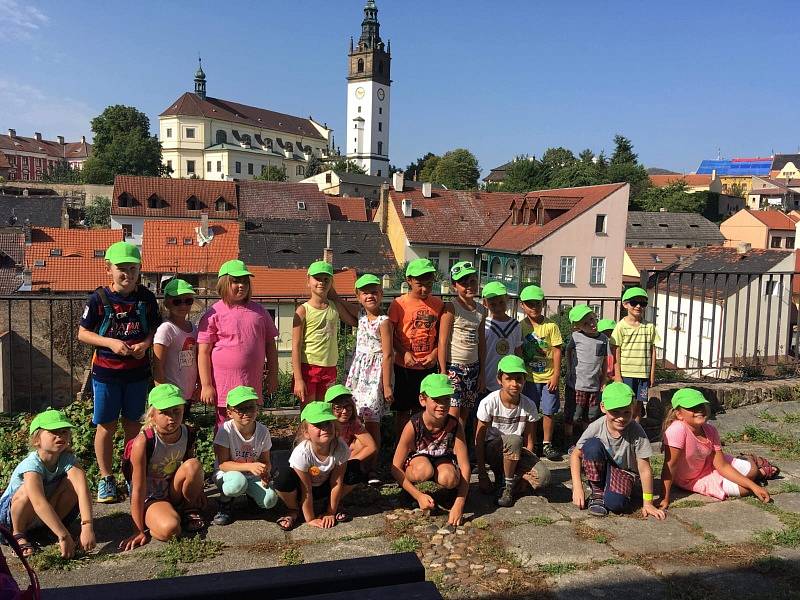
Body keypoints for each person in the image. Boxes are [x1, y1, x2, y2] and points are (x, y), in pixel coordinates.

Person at [77, 241, 160, 503]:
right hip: (106, 374)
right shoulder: (98, 299)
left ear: (140, 269)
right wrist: (111, 343)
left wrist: (145, 345)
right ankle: (105, 477)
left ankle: (130, 471)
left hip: (137, 373)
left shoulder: (146, 299)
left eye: (133, 269)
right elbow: (83, 333)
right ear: (109, 270)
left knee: (134, 426)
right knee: (106, 426)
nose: (127, 274)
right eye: (121, 269)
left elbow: (154, 329)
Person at [120, 384, 206, 551]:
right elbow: (137, 488)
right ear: (152, 415)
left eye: (176, 411)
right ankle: (157, 517)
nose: (171, 418)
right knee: (171, 530)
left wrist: (198, 490)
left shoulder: (187, 433)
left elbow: (188, 467)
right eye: (164, 412)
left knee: (194, 465)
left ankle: (189, 509)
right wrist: (137, 530)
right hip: (151, 496)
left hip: (172, 489)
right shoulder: (143, 442)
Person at [0, 410, 95, 559]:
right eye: (53, 432)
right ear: (37, 439)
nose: (60, 435)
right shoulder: (31, 465)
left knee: (71, 484)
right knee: (27, 491)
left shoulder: (67, 459)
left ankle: (49, 530)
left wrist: (87, 526)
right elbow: (38, 503)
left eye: (64, 431)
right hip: (11, 518)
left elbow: (82, 489)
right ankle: (18, 534)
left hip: (44, 514)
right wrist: (63, 535)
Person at [659, 388, 775, 509]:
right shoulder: (677, 430)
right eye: (691, 407)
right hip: (693, 479)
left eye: (701, 405)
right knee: (745, 489)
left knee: (751, 471)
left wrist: (754, 486)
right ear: (679, 414)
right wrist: (665, 497)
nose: (699, 409)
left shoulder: (710, 430)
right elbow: (670, 466)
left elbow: (722, 466)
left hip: (710, 465)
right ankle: (759, 472)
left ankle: (750, 461)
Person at [198, 260, 279, 429]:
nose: (241, 285)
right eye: (236, 281)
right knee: (224, 427)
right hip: (224, 384)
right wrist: (206, 385)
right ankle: (223, 456)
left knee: (249, 423)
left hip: (250, 382)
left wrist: (272, 375)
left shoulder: (260, 312)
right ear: (223, 283)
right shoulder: (213, 313)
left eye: (244, 281)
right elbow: (204, 352)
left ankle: (248, 455)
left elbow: (271, 346)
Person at [570, 382, 665, 519]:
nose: (621, 418)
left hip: (624, 472)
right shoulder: (596, 426)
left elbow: (645, 469)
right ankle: (597, 491)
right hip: (603, 464)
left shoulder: (636, 431)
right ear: (603, 407)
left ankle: (611, 489)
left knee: (616, 504)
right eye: (615, 412)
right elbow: (575, 455)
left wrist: (648, 503)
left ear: (633, 408)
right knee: (591, 446)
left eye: (626, 412)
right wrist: (577, 487)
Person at [391, 374, 470, 526]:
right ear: (423, 400)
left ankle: (449, 493)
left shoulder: (454, 425)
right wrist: (418, 495)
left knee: (450, 478)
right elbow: (395, 467)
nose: (442, 405)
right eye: (436, 399)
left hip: (443, 458)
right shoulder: (413, 425)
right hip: (418, 460)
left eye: (446, 399)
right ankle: (412, 490)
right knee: (423, 470)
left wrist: (460, 503)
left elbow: (465, 465)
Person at [475, 356, 551, 507]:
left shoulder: (528, 405)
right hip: (494, 451)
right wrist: (482, 475)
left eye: (519, 379)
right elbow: (479, 440)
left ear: (524, 380)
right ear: (499, 379)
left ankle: (505, 480)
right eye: (509, 379)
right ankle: (507, 485)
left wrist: (527, 463)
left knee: (544, 479)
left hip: (516, 452)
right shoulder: (489, 403)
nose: (514, 384)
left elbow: (530, 443)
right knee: (514, 440)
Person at [273, 402, 352, 531]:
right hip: (302, 490)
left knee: (356, 469)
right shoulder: (302, 453)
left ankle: (330, 504)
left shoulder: (340, 447)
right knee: (282, 477)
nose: (325, 428)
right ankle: (293, 508)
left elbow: (337, 482)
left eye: (328, 423)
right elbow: (306, 489)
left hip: (323, 486)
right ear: (306, 432)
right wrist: (310, 519)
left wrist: (330, 512)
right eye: (318, 425)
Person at [344, 273, 393, 480]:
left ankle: (372, 466)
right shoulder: (361, 319)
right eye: (365, 293)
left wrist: (387, 384)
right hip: (358, 374)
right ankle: (359, 463)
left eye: (374, 292)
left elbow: (388, 353)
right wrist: (334, 295)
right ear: (358, 296)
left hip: (375, 376)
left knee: (372, 421)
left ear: (381, 294)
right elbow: (341, 310)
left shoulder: (384, 321)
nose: (370, 296)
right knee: (357, 417)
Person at [388, 259, 444, 437]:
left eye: (429, 284)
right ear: (409, 280)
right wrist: (404, 353)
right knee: (403, 410)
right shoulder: (398, 304)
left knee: (426, 408)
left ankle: (422, 443)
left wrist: (435, 354)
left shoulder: (438, 304)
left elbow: (441, 337)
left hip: (428, 366)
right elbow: (391, 335)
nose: (425, 289)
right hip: (404, 366)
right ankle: (401, 446)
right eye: (420, 284)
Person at [292, 260, 357, 405]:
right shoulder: (303, 310)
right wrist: (298, 379)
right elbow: (295, 346)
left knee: (326, 408)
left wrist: (337, 298)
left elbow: (357, 320)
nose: (321, 282)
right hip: (308, 368)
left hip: (329, 368)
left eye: (326, 279)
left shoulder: (335, 306)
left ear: (331, 283)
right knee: (309, 410)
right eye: (317, 278)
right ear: (308, 281)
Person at [212, 386, 278, 526]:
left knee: (270, 500)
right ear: (230, 413)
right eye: (241, 409)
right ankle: (225, 502)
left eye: (251, 407)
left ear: (257, 409)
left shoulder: (263, 431)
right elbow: (223, 464)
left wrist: (265, 472)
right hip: (227, 474)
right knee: (237, 483)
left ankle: (251, 497)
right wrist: (249, 466)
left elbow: (265, 460)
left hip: (251, 474)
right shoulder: (225, 430)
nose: (246, 412)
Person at [439, 261, 487, 429]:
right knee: (453, 411)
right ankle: (450, 447)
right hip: (454, 367)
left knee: (465, 413)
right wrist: (444, 371)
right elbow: (442, 342)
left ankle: (459, 446)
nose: (468, 286)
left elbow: (482, 343)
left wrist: (481, 372)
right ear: (454, 286)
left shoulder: (482, 310)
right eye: (463, 283)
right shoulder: (451, 308)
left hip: (473, 368)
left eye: (472, 281)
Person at [519, 285, 563, 460]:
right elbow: (519, 350)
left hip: (548, 377)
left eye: (537, 303)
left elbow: (557, 350)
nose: (534, 307)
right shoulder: (520, 326)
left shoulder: (551, 326)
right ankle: (531, 442)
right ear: (522, 305)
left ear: (543, 304)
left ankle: (547, 443)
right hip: (529, 377)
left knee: (548, 410)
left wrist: (556, 374)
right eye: (530, 304)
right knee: (530, 411)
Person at [611, 287, 660, 421]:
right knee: (626, 403)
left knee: (638, 405)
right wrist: (617, 375)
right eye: (634, 303)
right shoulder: (620, 326)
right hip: (627, 372)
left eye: (642, 303)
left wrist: (652, 374)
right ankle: (626, 429)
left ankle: (636, 430)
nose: (638, 306)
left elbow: (652, 350)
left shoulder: (649, 327)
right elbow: (616, 351)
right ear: (625, 304)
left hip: (643, 374)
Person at [563, 305, 608, 445]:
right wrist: (570, 369)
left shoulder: (603, 339)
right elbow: (568, 351)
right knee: (573, 415)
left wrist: (604, 379)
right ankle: (569, 441)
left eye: (592, 319)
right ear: (578, 326)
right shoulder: (576, 337)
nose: (592, 324)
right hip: (576, 385)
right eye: (585, 323)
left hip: (594, 385)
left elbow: (604, 360)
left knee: (591, 415)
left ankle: (584, 441)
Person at [153, 279, 198, 402]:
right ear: (167, 303)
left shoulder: (194, 328)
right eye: (177, 302)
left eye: (188, 301)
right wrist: (163, 396)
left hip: (188, 393)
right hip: (171, 396)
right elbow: (158, 366)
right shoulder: (166, 329)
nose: (183, 306)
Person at [324, 384, 379, 486]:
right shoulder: (325, 424)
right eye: (338, 408)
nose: (344, 411)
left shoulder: (353, 423)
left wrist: (347, 463)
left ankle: (354, 469)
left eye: (348, 407)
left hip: (345, 457)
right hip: (327, 456)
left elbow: (371, 446)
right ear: (329, 408)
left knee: (359, 443)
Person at [482, 281, 523, 394]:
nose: (498, 307)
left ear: (507, 299)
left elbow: (518, 349)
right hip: (488, 374)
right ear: (485, 303)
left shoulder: (516, 325)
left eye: (501, 302)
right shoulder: (484, 324)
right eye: (493, 304)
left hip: (509, 376)